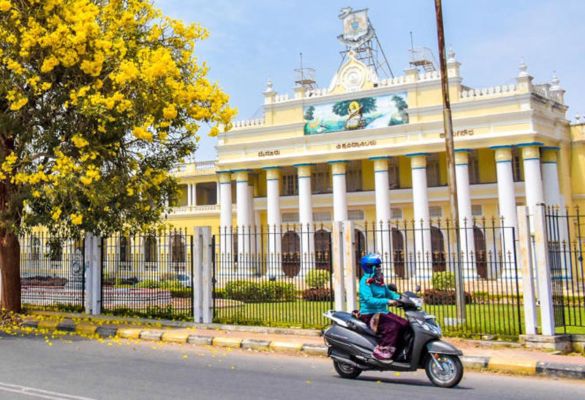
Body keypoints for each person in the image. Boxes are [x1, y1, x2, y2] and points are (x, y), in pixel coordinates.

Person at [357, 253, 409, 361]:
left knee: (405, 324)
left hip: (382, 313)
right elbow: (369, 300)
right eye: (377, 266)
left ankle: (398, 350)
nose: (379, 268)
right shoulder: (365, 282)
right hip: (369, 315)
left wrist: (402, 298)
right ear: (369, 267)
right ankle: (382, 352)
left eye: (379, 266)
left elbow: (389, 293)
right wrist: (387, 301)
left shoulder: (378, 281)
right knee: (392, 327)